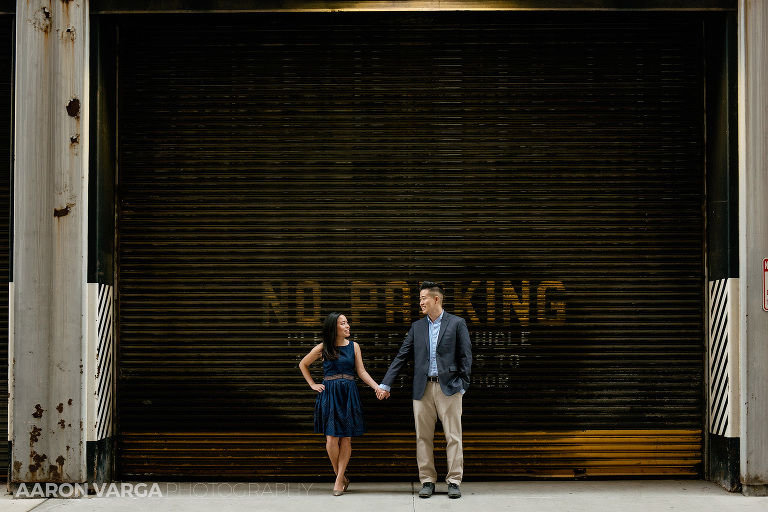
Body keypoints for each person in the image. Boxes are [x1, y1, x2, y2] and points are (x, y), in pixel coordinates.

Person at [376, 281, 472, 499]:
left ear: (436, 299)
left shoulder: (457, 323)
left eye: (423, 298)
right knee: (423, 437)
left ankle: (454, 481)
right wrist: (386, 383)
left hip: (449, 388)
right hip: (422, 389)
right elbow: (402, 355)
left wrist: (463, 385)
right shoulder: (417, 327)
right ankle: (427, 480)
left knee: (453, 437)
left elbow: (466, 356)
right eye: (420, 299)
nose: (420, 302)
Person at [300, 312, 380, 496]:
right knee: (331, 440)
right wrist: (312, 384)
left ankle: (339, 479)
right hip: (330, 394)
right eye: (343, 323)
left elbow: (361, 371)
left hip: (349, 393)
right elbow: (303, 364)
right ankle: (340, 475)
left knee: (346, 438)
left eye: (347, 322)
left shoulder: (354, 346)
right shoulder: (323, 347)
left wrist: (377, 387)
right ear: (333, 327)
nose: (348, 326)